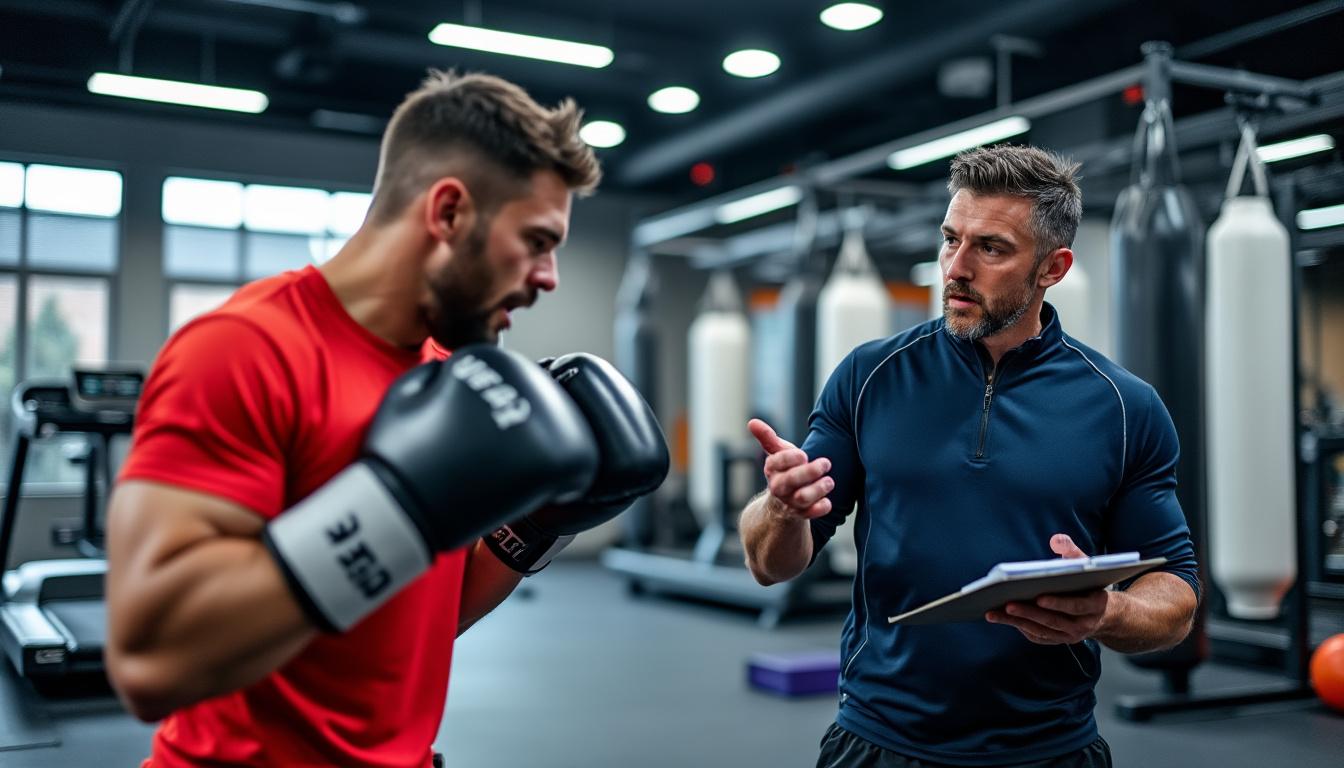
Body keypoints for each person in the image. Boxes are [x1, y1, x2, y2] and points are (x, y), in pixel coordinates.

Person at [104, 71, 667, 767]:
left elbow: (423, 617)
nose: (549, 277)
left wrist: (535, 528)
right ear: (450, 213)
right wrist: (395, 506)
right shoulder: (245, 350)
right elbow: (151, 660)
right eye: (538, 240)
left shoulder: (449, 376)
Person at [739, 144, 1199, 768]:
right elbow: (771, 566)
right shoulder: (870, 376)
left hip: (1049, 750)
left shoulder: (1125, 407)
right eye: (950, 240)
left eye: (991, 248)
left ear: (1053, 268)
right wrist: (783, 508)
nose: (954, 268)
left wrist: (1108, 611)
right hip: (878, 739)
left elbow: (1175, 595)